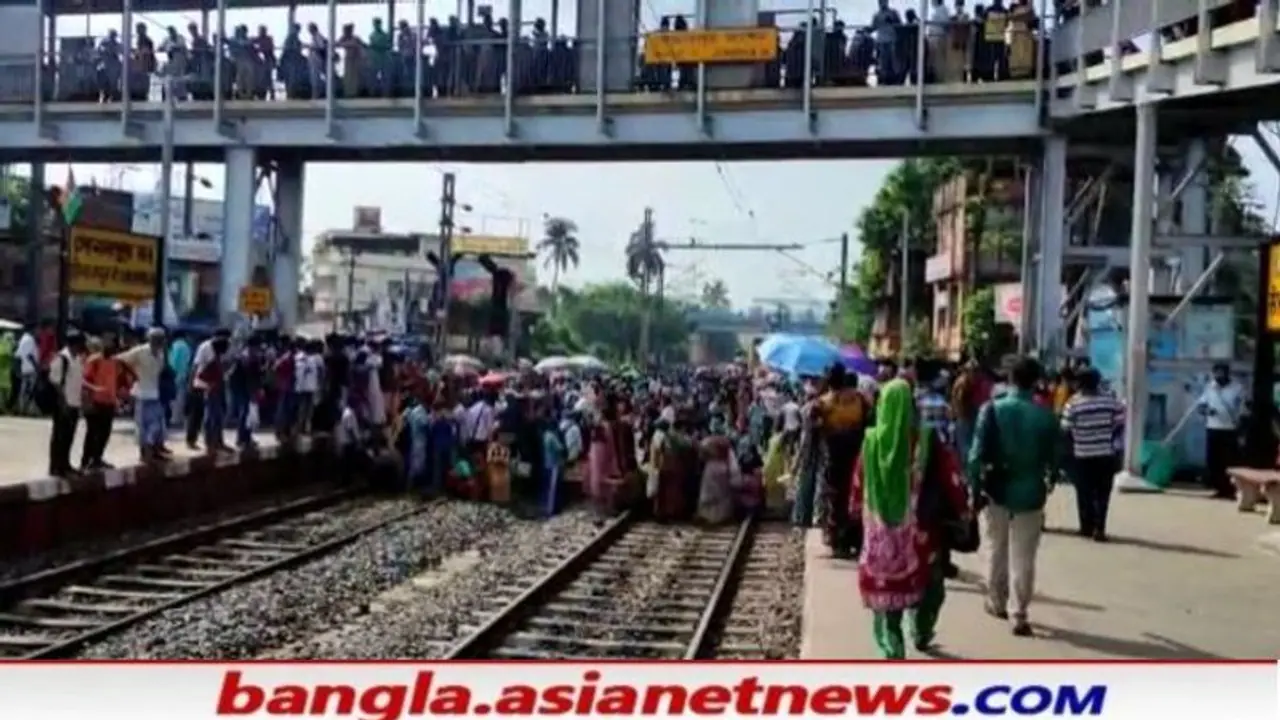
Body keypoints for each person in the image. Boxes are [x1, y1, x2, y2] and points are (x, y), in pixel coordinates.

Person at [850, 379, 971, 659]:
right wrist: (963, 510)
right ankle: (921, 631)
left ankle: (892, 646)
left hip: (880, 534)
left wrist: (857, 512)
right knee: (931, 587)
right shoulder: (928, 440)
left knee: (887, 598)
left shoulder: (871, 442)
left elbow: (859, 482)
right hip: (923, 534)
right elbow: (951, 479)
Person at [967, 356, 1058, 636]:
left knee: (995, 547)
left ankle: (996, 601)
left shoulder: (991, 410)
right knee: (1025, 555)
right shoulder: (1046, 416)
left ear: (1009, 379)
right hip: (1031, 492)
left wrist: (974, 488)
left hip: (996, 489)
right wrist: (1049, 481)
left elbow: (975, 457)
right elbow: (1055, 461)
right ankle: (1019, 613)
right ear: (1036, 382)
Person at [1061, 368, 1125, 540]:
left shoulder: (1073, 404)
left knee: (1084, 493)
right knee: (1103, 494)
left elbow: (1065, 430)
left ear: (1080, 383)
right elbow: (1119, 426)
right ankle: (1100, 528)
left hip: (1082, 455)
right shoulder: (1111, 402)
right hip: (1106, 454)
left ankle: (1086, 527)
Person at [818, 363, 870, 558]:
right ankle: (855, 539)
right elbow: (869, 422)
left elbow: (815, 426)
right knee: (855, 496)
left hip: (833, 458)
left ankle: (838, 542)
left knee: (835, 499)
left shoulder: (823, 403)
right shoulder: (860, 400)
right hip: (857, 456)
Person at [117, 327, 171, 463]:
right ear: (150, 339)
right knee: (143, 425)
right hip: (141, 393)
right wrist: (131, 376)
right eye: (157, 339)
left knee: (157, 425)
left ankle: (154, 451)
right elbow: (120, 360)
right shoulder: (140, 351)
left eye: (161, 339)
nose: (160, 342)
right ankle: (144, 454)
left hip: (154, 393)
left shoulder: (160, 353)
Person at [1198, 362, 1244, 499]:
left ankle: (1230, 489)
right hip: (1213, 428)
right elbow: (1201, 406)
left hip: (1230, 429)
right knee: (1214, 461)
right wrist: (1207, 411)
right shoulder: (1210, 387)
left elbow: (1243, 407)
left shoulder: (1237, 388)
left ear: (1227, 373)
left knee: (1229, 461)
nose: (1218, 376)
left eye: (1221, 373)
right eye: (1216, 373)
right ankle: (1218, 488)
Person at [47, 332, 87, 478]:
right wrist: (62, 402)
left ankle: (65, 464)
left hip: (74, 403)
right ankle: (56, 466)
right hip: (64, 404)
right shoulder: (61, 358)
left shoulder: (77, 359)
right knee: (60, 436)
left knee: (69, 436)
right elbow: (55, 382)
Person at [80, 336, 121, 471]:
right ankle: (86, 460)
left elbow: (115, 381)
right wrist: (88, 399)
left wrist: (116, 399)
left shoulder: (115, 362)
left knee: (105, 433)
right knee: (92, 433)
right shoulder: (94, 361)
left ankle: (97, 458)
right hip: (95, 402)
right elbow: (85, 381)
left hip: (109, 402)